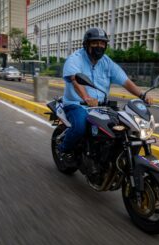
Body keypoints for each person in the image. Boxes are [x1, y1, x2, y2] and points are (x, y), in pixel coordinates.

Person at [58, 27, 153, 159]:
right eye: (95, 43)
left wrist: (142, 95)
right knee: (80, 127)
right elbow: (75, 80)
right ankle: (63, 149)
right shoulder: (75, 59)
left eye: (102, 43)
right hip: (77, 104)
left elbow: (125, 81)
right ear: (87, 44)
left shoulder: (107, 62)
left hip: (101, 107)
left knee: (120, 128)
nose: (99, 46)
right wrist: (86, 98)